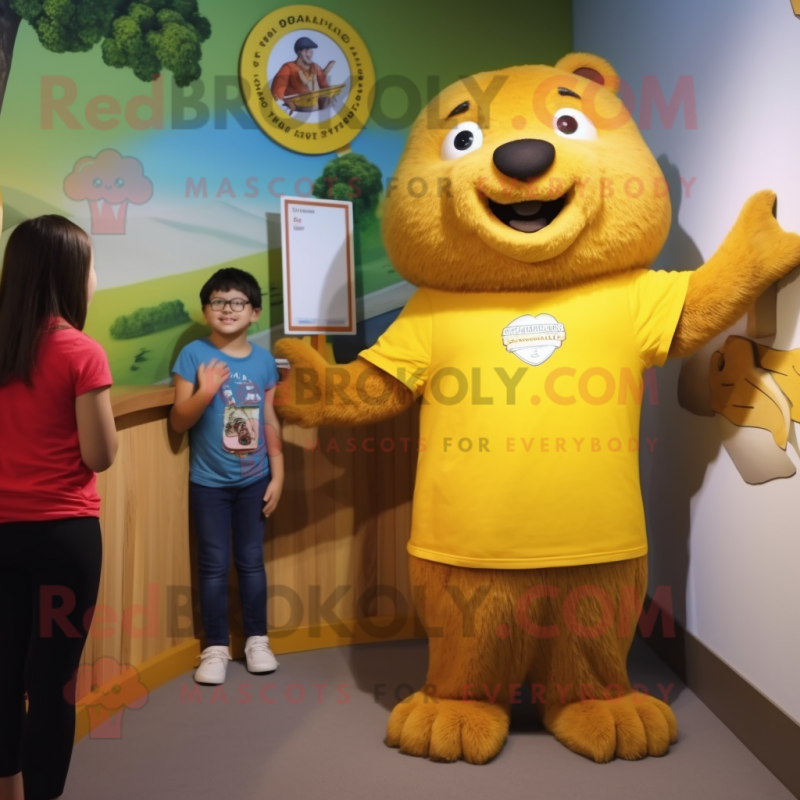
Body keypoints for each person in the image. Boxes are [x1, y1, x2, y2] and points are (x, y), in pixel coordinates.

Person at [0, 216, 117, 800]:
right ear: (70, 276)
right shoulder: (80, 351)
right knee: (51, 683)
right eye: (91, 265)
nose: (96, 277)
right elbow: (99, 454)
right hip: (63, 539)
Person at [170, 267, 283, 685]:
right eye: (218, 301)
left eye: (238, 302)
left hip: (255, 479)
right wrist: (206, 389)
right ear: (205, 310)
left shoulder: (264, 360)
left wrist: (279, 474)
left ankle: (257, 639)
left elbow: (269, 417)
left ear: (254, 312)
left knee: (252, 562)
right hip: (209, 483)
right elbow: (179, 421)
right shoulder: (195, 356)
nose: (227, 309)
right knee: (214, 564)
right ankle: (215, 647)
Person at [270, 35, 335, 112]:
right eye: (307, 49)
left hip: (317, 108)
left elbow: (324, 86)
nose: (310, 52)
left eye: (311, 50)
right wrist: (286, 101)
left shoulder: (315, 67)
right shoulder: (288, 67)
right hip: (298, 108)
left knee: (328, 100)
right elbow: (277, 92)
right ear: (299, 52)